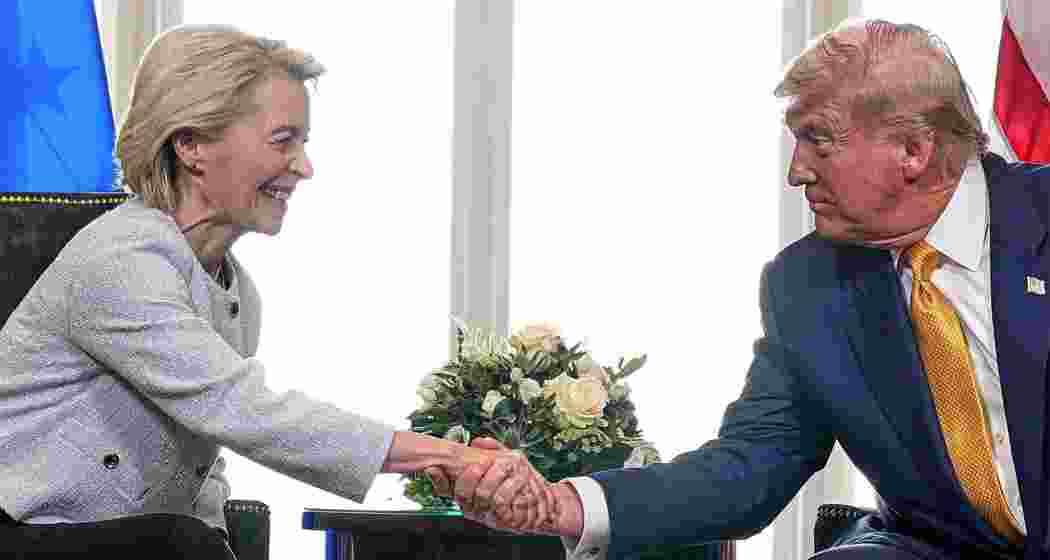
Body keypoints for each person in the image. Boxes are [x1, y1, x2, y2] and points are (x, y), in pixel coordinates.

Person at [440, 18, 1050, 560]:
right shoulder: (806, 285)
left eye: (819, 139)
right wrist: (559, 504)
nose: (796, 171)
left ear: (913, 150)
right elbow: (748, 468)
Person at [0, 24, 546, 558]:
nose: (304, 168)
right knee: (179, 543)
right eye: (283, 140)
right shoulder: (119, 260)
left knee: (189, 540)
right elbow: (243, 409)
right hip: (22, 529)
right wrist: (446, 457)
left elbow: (202, 461)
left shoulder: (236, 292)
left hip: (122, 540)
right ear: (191, 144)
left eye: (303, 143)